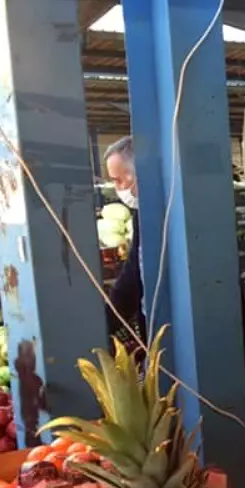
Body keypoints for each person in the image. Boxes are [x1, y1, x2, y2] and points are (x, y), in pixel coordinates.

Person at [102, 137, 145, 348]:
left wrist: (104, 324)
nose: (117, 187)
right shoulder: (142, 211)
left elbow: (133, 274)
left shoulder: (156, 213)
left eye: (119, 179)